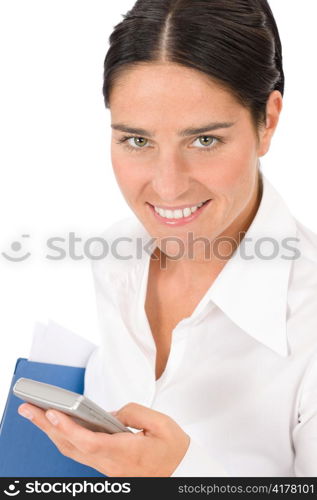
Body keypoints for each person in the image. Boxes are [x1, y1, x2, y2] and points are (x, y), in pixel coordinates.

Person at [17, 0, 317, 477]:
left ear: (269, 122)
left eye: (205, 140)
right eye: (137, 141)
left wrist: (177, 477)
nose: (168, 186)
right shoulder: (116, 258)